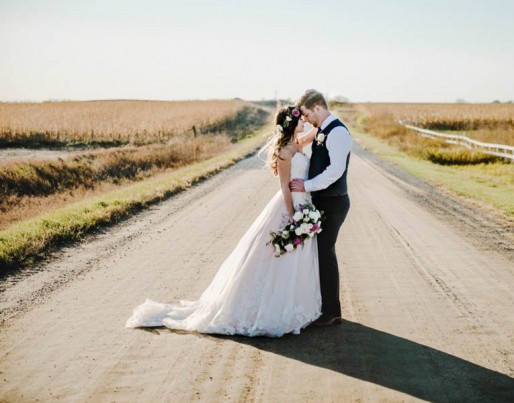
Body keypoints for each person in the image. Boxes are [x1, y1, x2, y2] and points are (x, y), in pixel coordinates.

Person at [126, 106, 321, 337]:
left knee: (296, 258)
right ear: (291, 124)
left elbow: (317, 132)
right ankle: (271, 309)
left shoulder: (297, 143)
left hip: (303, 204)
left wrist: (325, 121)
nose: (304, 122)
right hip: (290, 207)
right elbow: (283, 186)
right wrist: (291, 216)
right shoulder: (285, 152)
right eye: (300, 119)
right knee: (280, 255)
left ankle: (297, 305)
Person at [290, 89, 352, 327]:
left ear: (317, 108)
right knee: (319, 253)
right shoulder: (323, 128)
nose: (305, 120)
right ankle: (323, 306)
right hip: (323, 201)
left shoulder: (337, 133)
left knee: (325, 253)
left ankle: (331, 312)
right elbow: (306, 138)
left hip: (334, 201)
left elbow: (335, 171)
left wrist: (306, 185)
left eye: (306, 114)